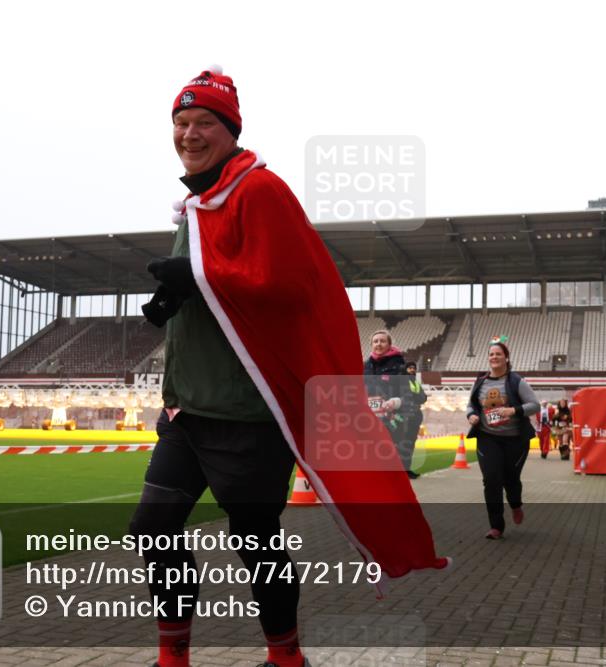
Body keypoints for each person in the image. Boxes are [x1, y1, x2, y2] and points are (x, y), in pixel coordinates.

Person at [132, 67, 446, 667]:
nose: (189, 134)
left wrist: (195, 277)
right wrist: (173, 298)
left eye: (203, 123)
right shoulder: (199, 205)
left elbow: (287, 284)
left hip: (249, 414)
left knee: (254, 542)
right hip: (187, 412)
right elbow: (218, 285)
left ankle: (286, 655)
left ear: (230, 130)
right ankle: (173, 656)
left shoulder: (261, 191)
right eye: (180, 122)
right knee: (152, 528)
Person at [466, 339, 540, 540]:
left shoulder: (517, 381)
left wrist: (513, 410)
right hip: (488, 438)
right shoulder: (480, 381)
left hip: (515, 440)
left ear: (506, 358)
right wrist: (471, 415)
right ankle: (496, 526)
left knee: (511, 479)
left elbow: (535, 406)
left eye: (498, 354)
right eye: (491, 354)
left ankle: (515, 504)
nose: (494, 357)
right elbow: (471, 405)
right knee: (491, 479)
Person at [363, 331, 413, 476]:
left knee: (389, 463)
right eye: (375, 341)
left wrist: (396, 402)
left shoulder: (400, 366)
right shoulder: (366, 366)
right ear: (371, 345)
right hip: (370, 421)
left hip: (393, 421)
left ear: (389, 345)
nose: (378, 344)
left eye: (382, 341)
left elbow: (409, 397)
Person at [400, 361, 428, 477]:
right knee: (403, 443)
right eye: (410, 368)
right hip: (404, 416)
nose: (412, 370)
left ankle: (407, 469)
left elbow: (423, 398)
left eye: (414, 368)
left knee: (410, 444)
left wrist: (415, 397)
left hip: (415, 415)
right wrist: (416, 397)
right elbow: (408, 396)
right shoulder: (402, 381)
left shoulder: (416, 383)